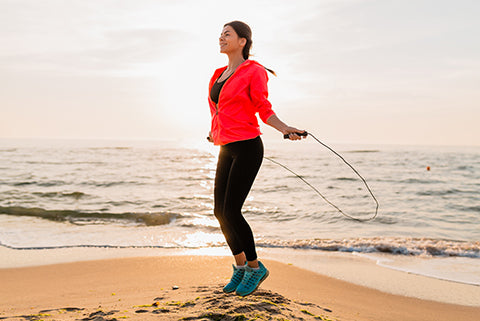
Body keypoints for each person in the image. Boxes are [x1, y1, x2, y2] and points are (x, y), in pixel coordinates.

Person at [207, 20, 306, 297]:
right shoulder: (217, 74)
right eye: (220, 34)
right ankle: (240, 269)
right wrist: (213, 134)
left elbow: (262, 107)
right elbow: (219, 111)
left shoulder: (254, 71)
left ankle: (255, 267)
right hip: (226, 146)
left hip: (248, 147)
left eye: (227, 34)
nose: (221, 38)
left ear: (243, 41)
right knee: (219, 212)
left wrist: (284, 128)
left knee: (232, 211)